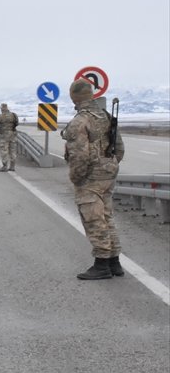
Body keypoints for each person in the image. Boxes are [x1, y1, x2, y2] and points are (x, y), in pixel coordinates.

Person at [63, 78, 125, 280]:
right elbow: (119, 146)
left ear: (74, 97)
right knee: (107, 216)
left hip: (90, 176)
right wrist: (110, 164)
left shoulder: (80, 121)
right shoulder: (105, 115)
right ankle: (114, 262)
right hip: (109, 170)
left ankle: (101, 265)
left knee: (93, 218)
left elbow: (79, 156)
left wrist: (76, 178)